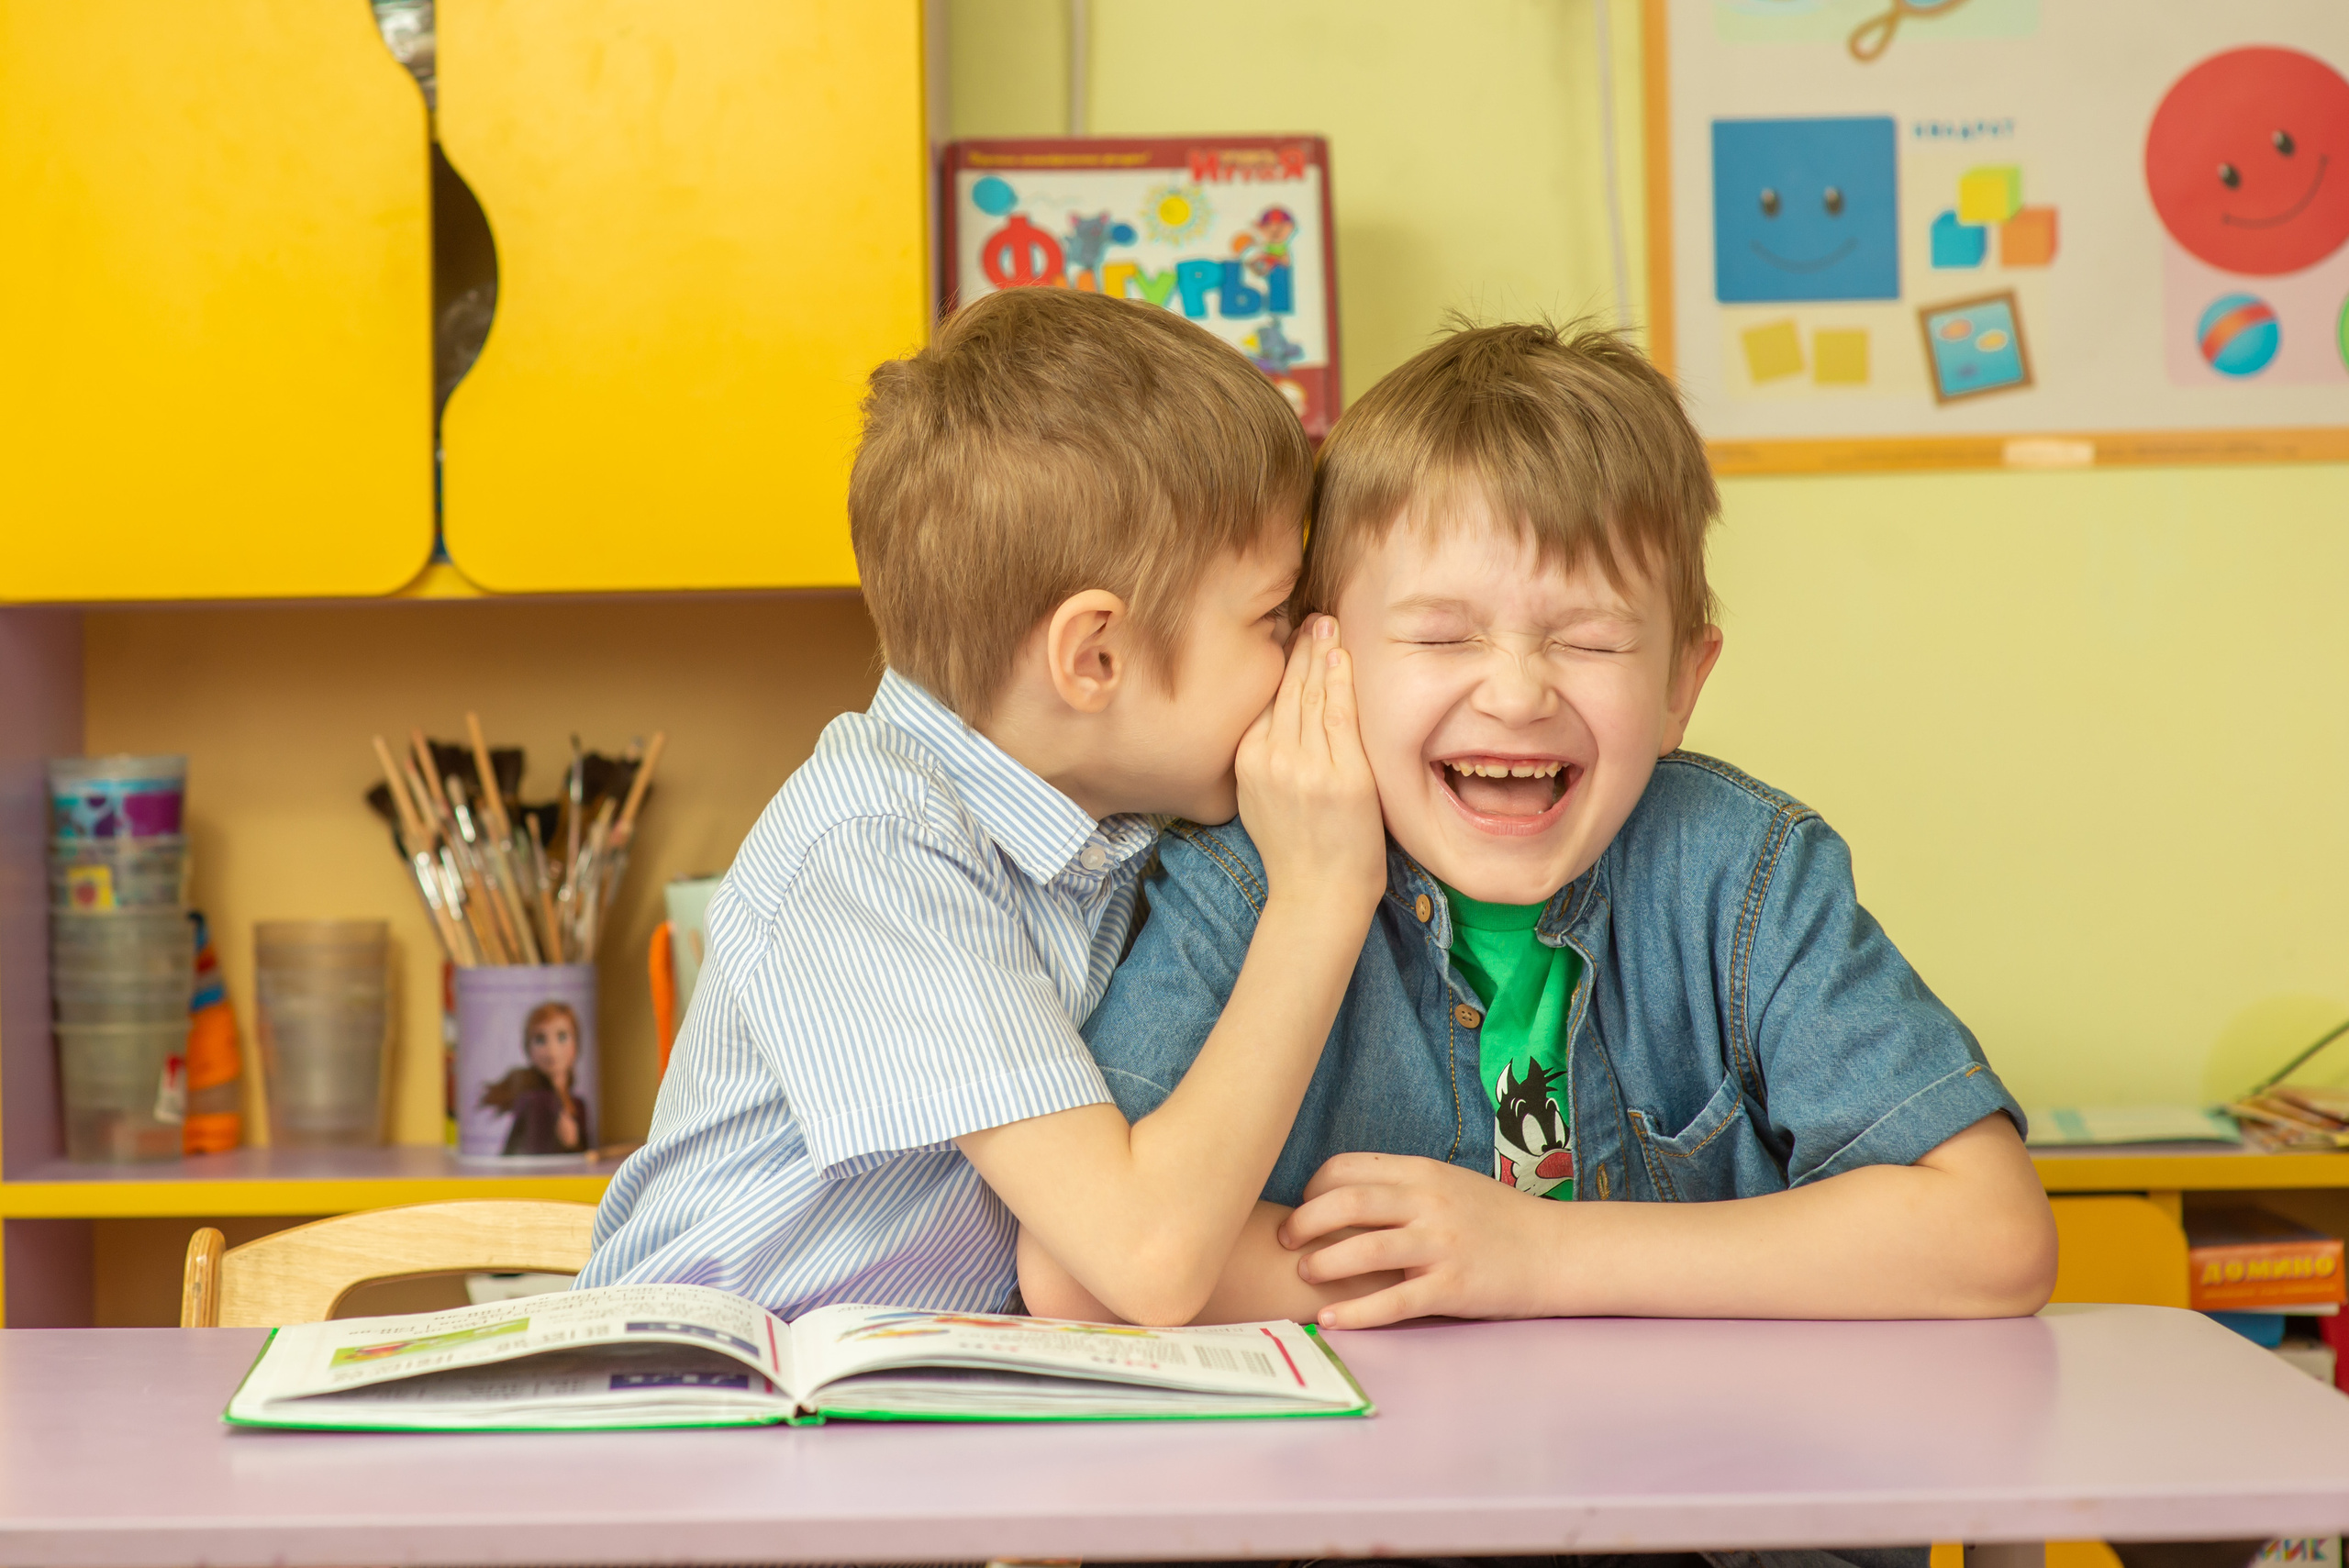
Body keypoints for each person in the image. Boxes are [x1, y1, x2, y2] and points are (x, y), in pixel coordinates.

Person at [1028, 319, 2058, 1334]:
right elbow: (1082, 1271)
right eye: (1440, 633)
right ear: (1317, 662)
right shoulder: (1238, 880)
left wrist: (1537, 1254)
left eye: (1590, 639)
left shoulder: (1741, 869)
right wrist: (1445, 1268)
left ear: (1679, 684)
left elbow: (1992, 1232)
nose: (1516, 694)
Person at [575, 285, 1387, 1325]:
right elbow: (1146, 1255)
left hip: (912, 1409)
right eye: (1274, 615)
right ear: (1094, 657)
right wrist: (1320, 897)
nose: (1303, 654)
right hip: (699, 1411)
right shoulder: (875, 846)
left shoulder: (1104, 815)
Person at [480, 999, 590, 1156]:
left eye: (562, 1037)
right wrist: (566, 1143)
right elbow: (536, 1162)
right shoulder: (536, 1101)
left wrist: (573, 1144)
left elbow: (587, 1157)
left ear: (576, 1044)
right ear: (528, 1048)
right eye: (540, 1039)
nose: (552, 1050)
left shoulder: (579, 1105)